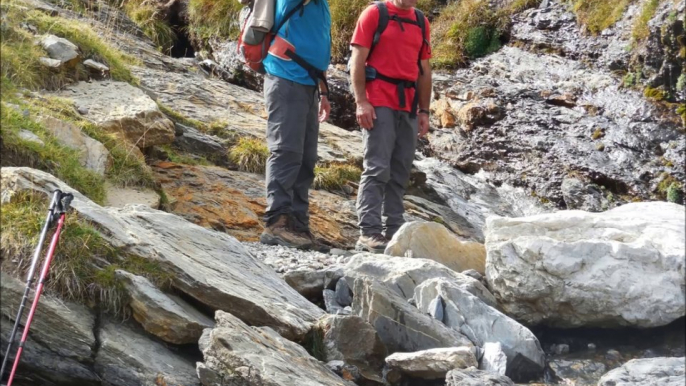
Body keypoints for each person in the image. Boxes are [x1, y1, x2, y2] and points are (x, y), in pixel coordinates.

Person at [349, 0, 432, 253]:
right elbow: (357, 59)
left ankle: (395, 229)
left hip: (408, 104)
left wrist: (425, 110)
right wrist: (361, 102)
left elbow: (424, 70)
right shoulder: (375, 13)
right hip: (379, 99)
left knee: (401, 169)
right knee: (377, 167)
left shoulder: (420, 20)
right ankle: (369, 232)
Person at [259, 0, 332, 250]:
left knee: (306, 158)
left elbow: (317, 47)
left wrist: (323, 92)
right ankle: (277, 223)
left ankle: (298, 225)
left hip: (309, 83)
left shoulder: (321, 6)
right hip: (285, 76)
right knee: (286, 151)